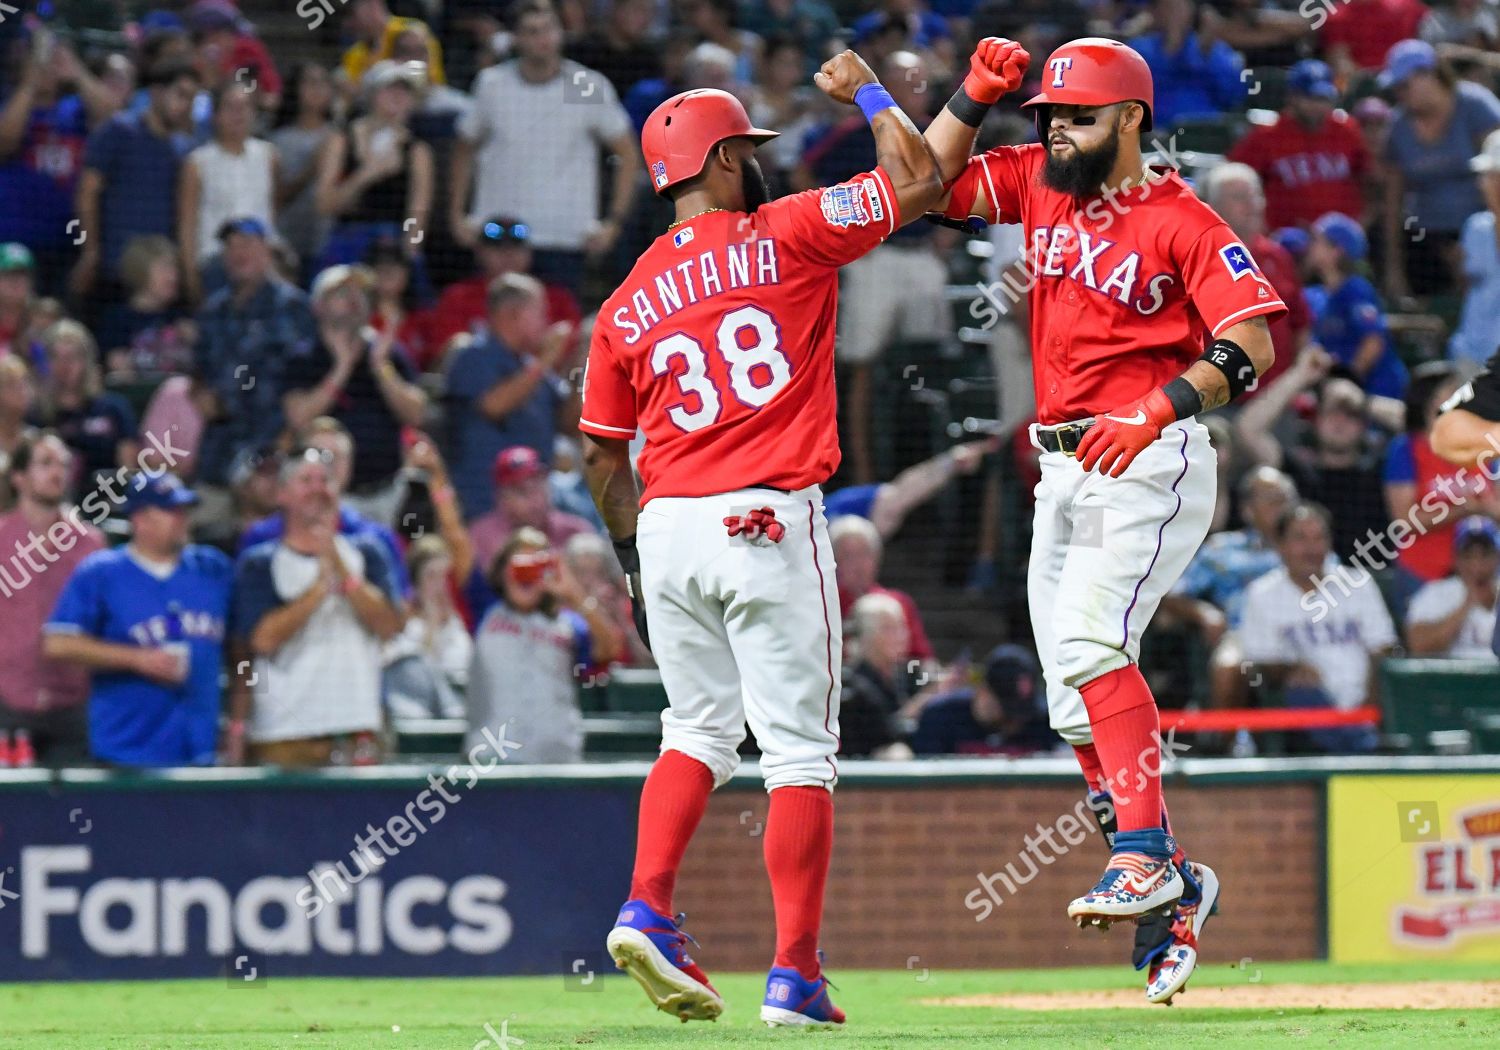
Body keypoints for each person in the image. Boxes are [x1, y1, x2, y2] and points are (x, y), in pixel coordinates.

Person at [578, 50, 941, 1024]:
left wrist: (631, 560)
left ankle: (647, 905)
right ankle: (795, 974)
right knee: (799, 757)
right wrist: (871, 92)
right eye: (747, 147)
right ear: (728, 157)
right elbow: (918, 178)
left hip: (667, 529)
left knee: (695, 731)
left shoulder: (621, 306)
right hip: (766, 515)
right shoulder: (786, 230)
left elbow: (603, 459)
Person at [926, 36, 1287, 1005]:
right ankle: (1173, 887)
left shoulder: (1180, 217)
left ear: (1130, 118)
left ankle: (1138, 856)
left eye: (1075, 116)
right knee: (1066, 698)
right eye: (1045, 117)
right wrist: (969, 95)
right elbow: (921, 182)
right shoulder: (1040, 184)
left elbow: (1249, 344)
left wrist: (1158, 408)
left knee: (1090, 642)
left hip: (1149, 453)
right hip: (1061, 468)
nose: (1055, 131)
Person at [43, 473, 233, 766]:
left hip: (200, 752)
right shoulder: (102, 573)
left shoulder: (212, 568)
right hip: (125, 752)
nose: (182, 519)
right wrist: (137, 659)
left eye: (184, 510)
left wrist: (238, 721)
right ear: (140, 520)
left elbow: (244, 649)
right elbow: (57, 643)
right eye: (171, 511)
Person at [451, 0, 639, 294]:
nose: (542, 38)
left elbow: (627, 153)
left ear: (561, 33)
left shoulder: (585, 84)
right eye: (531, 31)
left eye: (549, 28)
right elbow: (464, 148)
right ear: (515, 38)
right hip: (500, 236)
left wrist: (613, 223)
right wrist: (457, 215)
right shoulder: (492, 84)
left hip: (565, 237)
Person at [232, 447, 404, 766]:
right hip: (285, 733)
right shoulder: (260, 562)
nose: (318, 489)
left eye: (326, 480)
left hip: (358, 727)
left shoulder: (368, 553)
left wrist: (341, 568)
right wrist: (318, 590)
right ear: (282, 494)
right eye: (306, 480)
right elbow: (261, 640)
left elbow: (390, 626)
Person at [1240, 501, 1397, 754]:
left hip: (1364, 701)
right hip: (1305, 712)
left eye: (1319, 538)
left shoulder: (1357, 583)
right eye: (1300, 538)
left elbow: (1383, 648)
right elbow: (1259, 663)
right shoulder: (1262, 593)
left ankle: (1361, 741)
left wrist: (1370, 700)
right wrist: (1292, 669)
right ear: (1280, 546)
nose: (1311, 549)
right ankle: (1360, 748)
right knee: (1300, 691)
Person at [466, 527, 623, 762]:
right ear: (503, 570)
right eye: (520, 564)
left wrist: (574, 595)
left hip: (556, 762)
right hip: (491, 763)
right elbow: (457, 543)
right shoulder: (483, 608)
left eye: (536, 566)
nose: (527, 573)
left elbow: (609, 649)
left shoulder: (568, 624)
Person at [0, 434, 107, 763]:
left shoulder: (91, 543)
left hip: (73, 703)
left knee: (72, 808)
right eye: (45, 464)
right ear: (19, 477)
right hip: (8, 699)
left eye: (63, 464)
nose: (57, 472)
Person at [283, 263, 429, 502]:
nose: (353, 299)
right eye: (341, 292)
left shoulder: (387, 353)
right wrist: (341, 368)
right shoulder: (304, 357)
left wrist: (381, 367)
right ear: (318, 306)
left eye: (360, 292)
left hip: (388, 491)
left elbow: (417, 414)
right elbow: (298, 418)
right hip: (326, 493)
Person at [192, 216, 316, 490]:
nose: (239, 253)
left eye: (247, 244)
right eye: (231, 246)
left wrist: (289, 438)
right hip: (218, 450)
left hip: (272, 450)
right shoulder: (213, 311)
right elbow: (199, 371)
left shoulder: (294, 307)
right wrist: (201, 395)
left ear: (267, 251)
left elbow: (306, 379)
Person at [445, 274, 579, 518]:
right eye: (539, 313)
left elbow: (568, 423)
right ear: (512, 314)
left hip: (536, 507)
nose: (546, 322)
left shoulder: (530, 364)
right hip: (484, 507)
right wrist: (544, 360)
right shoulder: (473, 355)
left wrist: (586, 367)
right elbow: (494, 406)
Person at [238, 417, 412, 599]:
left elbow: (401, 611)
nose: (326, 465)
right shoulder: (261, 537)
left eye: (337, 456)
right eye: (318, 453)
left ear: (350, 465)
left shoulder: (377, 538)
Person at [1378, 40, 1500, 299]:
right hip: (1427, 238)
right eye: (1396, 88)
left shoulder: (1475, 105)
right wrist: (1393, 270)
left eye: (1405, 85)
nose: (1400, 94)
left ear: (1429, 75)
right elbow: (1392, 203)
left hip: (1485, 232)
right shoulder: (1398, 126)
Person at [72, 59, 199, 303]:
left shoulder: (184, 149)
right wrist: (90, 252)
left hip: (162, 281)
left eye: (192, 99)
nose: (186, 106)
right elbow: (86, 193)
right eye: (181, 95)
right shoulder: (118, 131)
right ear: (156, 92)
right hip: (114, 273)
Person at [0, 32, 117, 295]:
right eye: (40, 61)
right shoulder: (10, 106)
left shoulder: (75, 109)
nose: (47, 68)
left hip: (69, 239)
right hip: (16, 238)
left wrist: (77, 71)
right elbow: (5, 141)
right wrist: (30, 83)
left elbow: (113, 118)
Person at [1197, 163, 1311, 396]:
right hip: (1218, 400)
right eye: (1239, 197)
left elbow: (1300, 324)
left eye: (1255, 196)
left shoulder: (1278, 257)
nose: (1252, 205)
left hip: (1274, 400)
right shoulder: (1196, 259)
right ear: (1213, 208)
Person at [315, 59, 434, 272]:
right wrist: (367, 173)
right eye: (389, 89)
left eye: (404, 91)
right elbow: (325, 204)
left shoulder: (417, 150)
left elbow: (418, 212)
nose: (397, 96)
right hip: (350, 241)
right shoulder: (342, 140)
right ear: (372, 94)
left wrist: (408, 251)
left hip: (392, 247)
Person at [1226, 59, 1370, 231]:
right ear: (1292, 97)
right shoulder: (1267, 136)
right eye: (1310, 98)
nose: (1318, 106)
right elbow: (1231, 180)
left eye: (1323, 99)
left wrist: (1359, 226)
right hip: (1287, 241)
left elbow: (1371, 181)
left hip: (1341, 243)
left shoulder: (1347, 131)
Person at [425, 218, 581, 371]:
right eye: (497, 247)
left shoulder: (557, 297)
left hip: (546, 386)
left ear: (529, 253)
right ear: (479, 252)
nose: (507, 254)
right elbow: (444, 355)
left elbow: (575, 353)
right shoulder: (458, 296)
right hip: (478, 382)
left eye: (515, 247)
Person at [178, 81, 277, 301]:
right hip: (216, 263)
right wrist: (190, 274)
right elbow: (187, 224)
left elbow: (272, 208)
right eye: (230, 108)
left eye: (245, 107)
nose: (238, 114)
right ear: (216, 115)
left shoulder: (268, 156)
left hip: (261, 264)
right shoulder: (198, 163)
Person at [1306, 212, 1408, 400]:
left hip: (1377, 393)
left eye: (1317, 241)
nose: (1310, 246)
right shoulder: (1320, 294)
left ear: (1336, 251)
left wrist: (1348, 382)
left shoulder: (1355, 290)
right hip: (1346, 395)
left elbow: (1373, 342)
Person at [31, 320, 138, 486]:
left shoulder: (113, 409)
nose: (64, 366)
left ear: (87, 362)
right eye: (56, 357)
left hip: (105, 503)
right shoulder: (35, 415)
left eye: (72, 357)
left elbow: (128, 471)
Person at [469, 444, 595, 583]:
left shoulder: (575, 530)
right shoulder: (481, 536)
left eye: (539, 485)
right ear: (502, 498)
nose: (535, 499)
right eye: (522, 491)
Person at [908, 644, 1053, 756]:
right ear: (983, 692)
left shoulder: (1044, 721)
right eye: (1008, 709)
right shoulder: (941, 719)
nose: (1017, 721)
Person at [383, 534, 471, 719]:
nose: (440, 585)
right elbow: (410, 675)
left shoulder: (455, 625)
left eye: (445, 576)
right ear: (416, 582)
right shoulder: (400, 622)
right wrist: (430, 626)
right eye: (432, 576)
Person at [829, 515, 935, 661]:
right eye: (848, 556)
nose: (858, 564)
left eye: (864, 553)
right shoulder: (825, 604)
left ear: (877, 558)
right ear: (834, 562)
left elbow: (922, 660)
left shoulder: (899, 603)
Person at [1128, 0, 1246, 130]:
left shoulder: (1212, 48)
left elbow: (1233, 95)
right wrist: (1172, 44)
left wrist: (1205, 53)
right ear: (1155, 11)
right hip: (1159, 129)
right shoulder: (1140, 48)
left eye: (1183, 7)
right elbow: (1143, 90)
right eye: (1170, 7)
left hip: (1208, 128)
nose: (1177, 13)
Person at [269, 63, 338, 281]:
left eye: (324, 83)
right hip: (288, 241)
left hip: (327, 240)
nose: (317, 89)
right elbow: (276, 198)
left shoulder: (342, 136)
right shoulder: (278, 141)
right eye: (310, 83)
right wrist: (311, 170)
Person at [96, 235, 194, 378]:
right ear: (140, 272)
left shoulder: (181, 317)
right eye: (165, 269)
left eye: (175, 269)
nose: (174, 276)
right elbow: (116, 366)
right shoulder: (117, 320)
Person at [1406, 515, 1500, 660]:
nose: (1476, 564)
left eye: (1484, 554)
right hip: (1450, 681)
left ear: (1497, 556)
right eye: (1468, 555)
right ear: (1455, 558)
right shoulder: (1436, 593)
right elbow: (1418, 646)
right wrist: (1466, 606)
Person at [837, 592, 914, 758]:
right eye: (888, 629)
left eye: (901, 627)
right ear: (865, 636)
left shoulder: (905, 678)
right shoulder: (851, 685)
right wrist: (925, 703)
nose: (900, 636)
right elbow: (887, 734)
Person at [1450, 129, 1500, 370]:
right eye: (1487, 177)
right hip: (1470, 355)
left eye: (1492, 176)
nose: (1484, 185)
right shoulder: (1476, 228)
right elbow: (1466, 286)